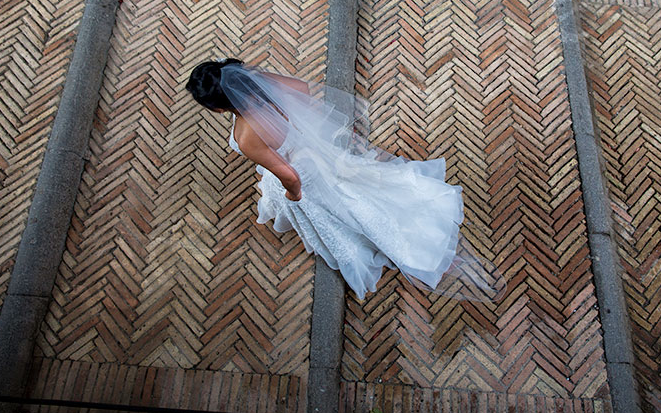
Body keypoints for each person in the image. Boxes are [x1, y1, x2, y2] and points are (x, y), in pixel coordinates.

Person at [186, 58, 503, 301]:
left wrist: (294, 198)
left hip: (305, 172)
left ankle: (404, 247)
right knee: (360, 190)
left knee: (348, 210)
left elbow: (288, 175)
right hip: (315, 149)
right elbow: (303, 90)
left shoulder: (246, 136)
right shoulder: (266, 89)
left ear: (216, 108)